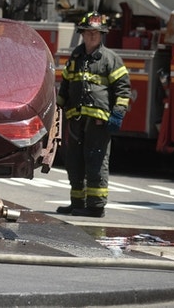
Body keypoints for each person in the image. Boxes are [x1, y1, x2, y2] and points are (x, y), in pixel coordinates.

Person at [55, 11, 131, 218]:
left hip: (98, 122)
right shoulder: (76, 57)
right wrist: (55, 110)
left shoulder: (110, 59)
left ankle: (96, 206)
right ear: (82, 33)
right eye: (88, 32)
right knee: (74, 161)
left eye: (96, 33)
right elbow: (65, 86)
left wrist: (117, 114)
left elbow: (123, 90)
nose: (92, 36)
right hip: (76, 119)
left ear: (102, 34)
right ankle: (77, 202)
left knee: (96, 161)